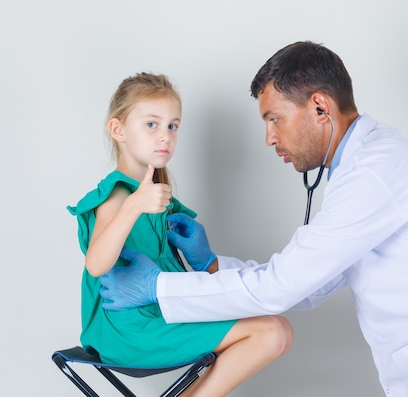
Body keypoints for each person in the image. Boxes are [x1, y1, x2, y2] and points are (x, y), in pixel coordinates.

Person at [97, 44, 408, 396]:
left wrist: (158, 288)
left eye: (274, 119)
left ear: (320, 107)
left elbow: (284, 286)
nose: (268, 137)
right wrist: (213, 264)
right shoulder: (357, 176)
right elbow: (314, 286)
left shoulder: (376, 172)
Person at [67, 72, 293, 397]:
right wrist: (133, 207)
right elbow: (96, 264)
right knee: (271, 332)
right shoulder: (118, 194)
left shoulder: (161, 198)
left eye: (173, 126)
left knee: (277, 329)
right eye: (151, 124)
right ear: (118, 130)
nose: (165, 137)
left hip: (166, 314)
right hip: (126, 331)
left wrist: (206, 259)